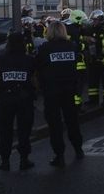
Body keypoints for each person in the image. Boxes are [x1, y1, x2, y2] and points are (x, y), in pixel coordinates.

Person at [36, 21, 84, 167]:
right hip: (69, 89)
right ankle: (78, 149)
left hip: (52, 91)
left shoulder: (45, 48)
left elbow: (39, 67)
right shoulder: (72, 46)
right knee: (72, 121)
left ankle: (60, 155)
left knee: (55, 125)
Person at [0, 32, 36, 171]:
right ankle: (24, 159)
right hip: (24, 98)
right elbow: (33, 79)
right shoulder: (29, 59)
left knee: (5, 130)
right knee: (24, 130)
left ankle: (5, 160)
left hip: (6, 98)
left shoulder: (2, 59)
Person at [86, 10, 104, 106]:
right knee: (93, 79)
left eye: (95, 20)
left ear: (101, 19)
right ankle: (93, 100)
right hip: (94, 58)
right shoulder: (94, 28)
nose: (94, 22)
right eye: (93, 20)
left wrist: (94, 40)